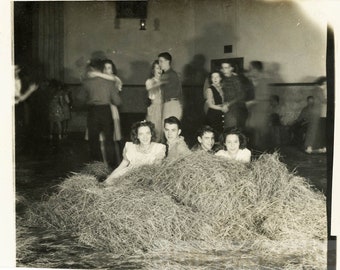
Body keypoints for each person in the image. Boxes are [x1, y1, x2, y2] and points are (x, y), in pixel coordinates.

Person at [82, 61, 122, 169]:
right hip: (106, 111)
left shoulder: (87, 82)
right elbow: (117, 101)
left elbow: (81, 98)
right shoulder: (109, 82)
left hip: (93, 111)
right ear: (102, 69)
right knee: (109, 139)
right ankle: (112, 166)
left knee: (93, 141)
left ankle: (97, 166)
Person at [104, 120, 166, 185]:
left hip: (147, 180)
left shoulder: (158, 148)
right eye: (141, 134)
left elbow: (156, 169)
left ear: (151, 134)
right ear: (137, 136)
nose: (145, 137)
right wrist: (108, 179)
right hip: (128, 177)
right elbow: (121, 167)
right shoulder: (131, 147)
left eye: (147, 133)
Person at [219, 60, 248, 130]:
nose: (224, 70)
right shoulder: (223, 79)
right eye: (223, 68)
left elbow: (241, 95)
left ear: (231, 68)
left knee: (234, 130)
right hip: (227, 108)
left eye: (226, 68)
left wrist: (228, 104)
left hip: (236, 109)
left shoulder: (236, 79)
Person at [158, 52, 183, 122]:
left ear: (167, 61)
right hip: (169, 104)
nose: (159, 64)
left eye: (161, 61)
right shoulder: (168, 74)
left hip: (172, 105)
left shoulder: (170, 74)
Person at [145, 60, 163, 142]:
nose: (159, 70)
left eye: (161, 68)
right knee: (155, 134)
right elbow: (151, 96)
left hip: (166, 108)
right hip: (155, 110)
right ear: (153, 70)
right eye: (157, 68)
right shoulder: (150, 82)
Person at [205, 71, 224, 136]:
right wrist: (222, 108)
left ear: (220, 78)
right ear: (211, 79)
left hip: (221, 114)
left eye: (217, 77)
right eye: (213, 77)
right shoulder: (210, 89)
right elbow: (210, 105)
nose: (215, 79)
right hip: (213, 115)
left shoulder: (222, 88)